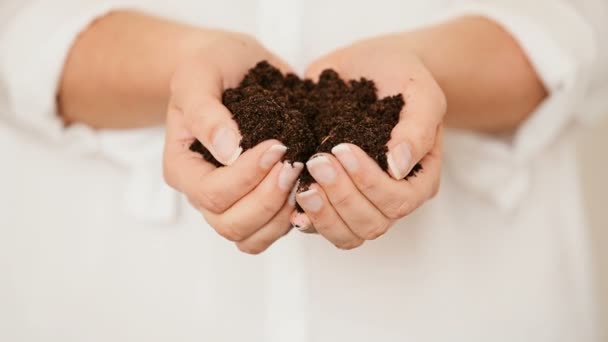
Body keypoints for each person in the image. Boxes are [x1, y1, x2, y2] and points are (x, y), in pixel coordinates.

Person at [1, 0, 607, 341]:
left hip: (473, 297)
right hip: (115, 295)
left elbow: (585, 29)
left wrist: (428, 68)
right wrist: (182, 66)